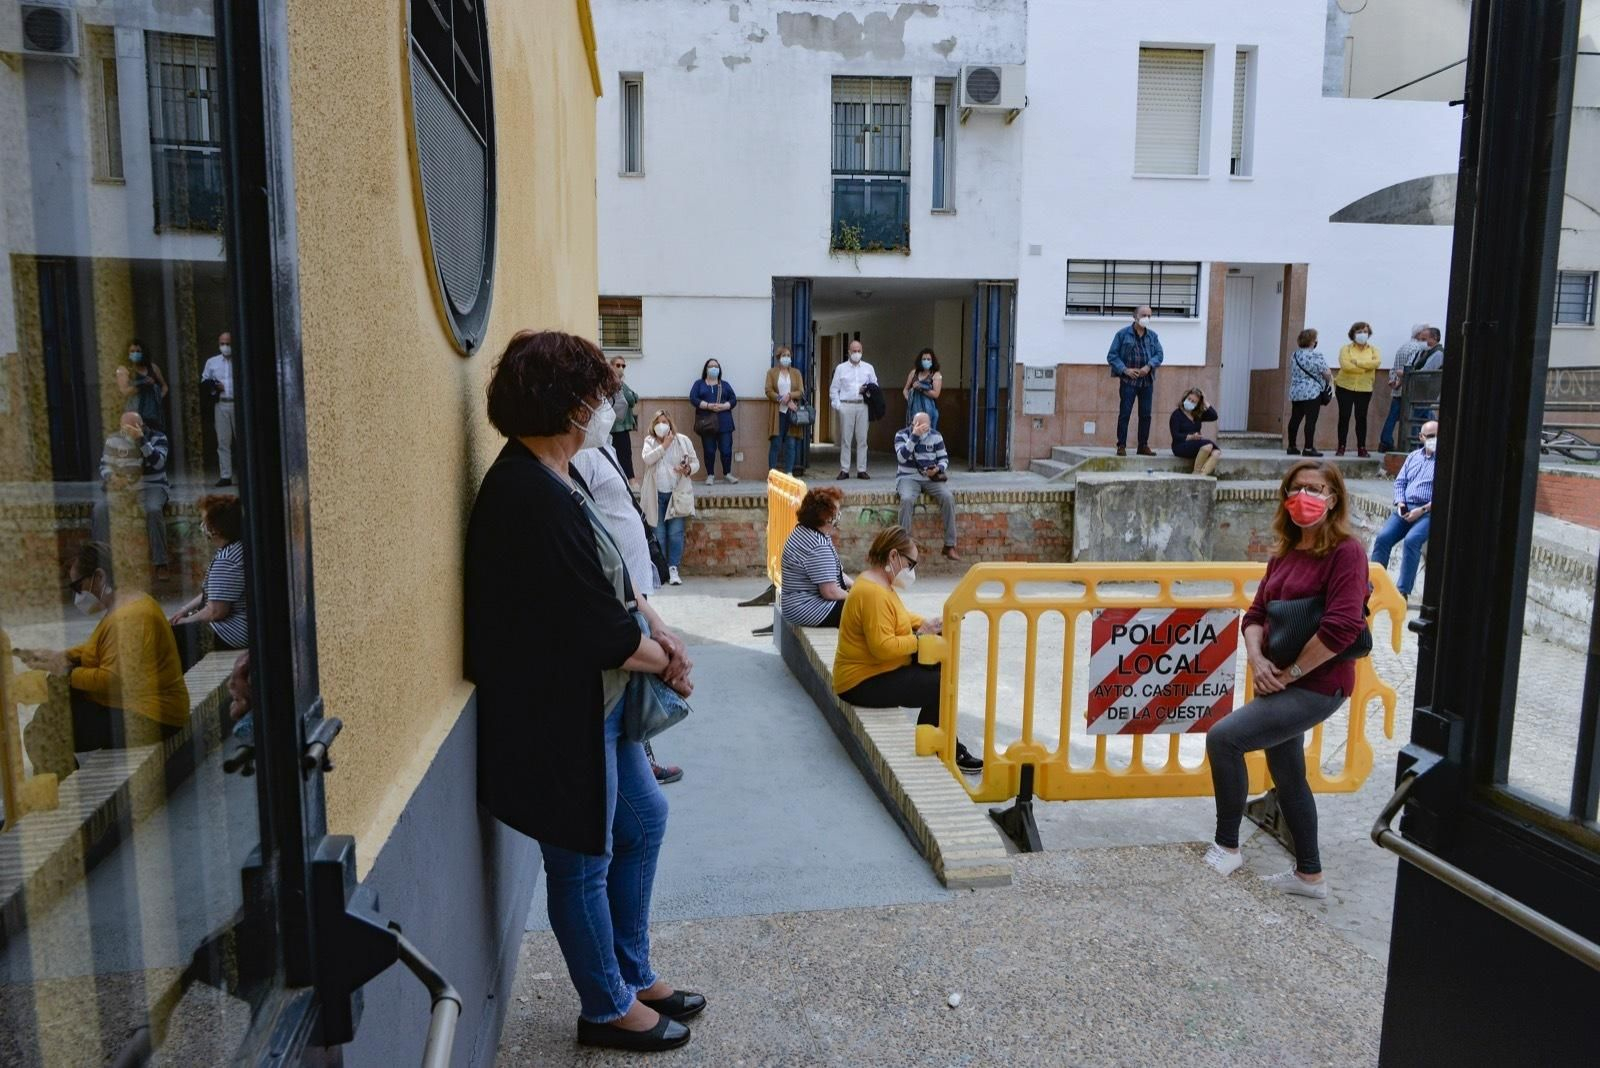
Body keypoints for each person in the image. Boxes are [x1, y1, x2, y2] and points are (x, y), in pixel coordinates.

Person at [465, 329, 702, 1053]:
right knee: (581, 860)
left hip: (595, 702)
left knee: (643, 821)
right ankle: (606, 1007)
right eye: (599, 397)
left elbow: (613, 576)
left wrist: (659, 628)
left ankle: (631, 973)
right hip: (560, 709)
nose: (608, 408)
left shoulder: (555, 473)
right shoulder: (525, 493)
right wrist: (661, 659)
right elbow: (586, 623)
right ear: (565, 404)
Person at [1204, 460, 1368, 899]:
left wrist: (1291, 672)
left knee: (1224, 739)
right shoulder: (1284, 553)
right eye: (1297, 488)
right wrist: (1258, 660)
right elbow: (1255, 616)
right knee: (1288, 771)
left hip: (1319, 684)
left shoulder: (1347, 552)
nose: (1305, 496)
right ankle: (1309, 875)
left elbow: (1341, 628)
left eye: (1316, 488)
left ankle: (1227, 846)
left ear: (1333, 498)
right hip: (1279, 678)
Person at [16, 542, 189, 780]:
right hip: (140, 705)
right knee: (49, 716)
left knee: (42, 734)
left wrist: (67, 671)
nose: (77, 595)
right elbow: (99, 651)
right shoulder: (127, 605)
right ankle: (61, 786)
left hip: (151, 715)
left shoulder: (131, 617)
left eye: (78, 586)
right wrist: (62, 656)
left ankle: (65, 795)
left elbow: (114, 679)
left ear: (99, 576)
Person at [572, 440, 691, 785]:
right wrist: (669, 662)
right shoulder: (579, 455)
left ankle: (642, 753)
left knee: (636, 682)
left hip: (633, 581)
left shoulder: (602, 446)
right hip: (614, 589)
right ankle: (644, 755)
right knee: (633, 683)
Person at [833, 527, 983, 772]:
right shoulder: (872, 593)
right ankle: (934, 748)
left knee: (938, 665)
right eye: (910, 564)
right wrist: (920, 636)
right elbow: (882, 647)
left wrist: (928, 624)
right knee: (940, 683)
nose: (912, 571)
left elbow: (899, 617)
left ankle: (944, 743)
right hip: (860, 682)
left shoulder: (878, 583)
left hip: (874, 671)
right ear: (893, 556)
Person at [168, 494, 250, 671]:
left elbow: (216, 611)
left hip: (232, 632)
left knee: (171, 637)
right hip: (237, 626)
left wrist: (185, 623)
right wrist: (184, 610)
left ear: (216, 529)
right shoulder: (236, 548)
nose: (202, 526)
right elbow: (214, 591)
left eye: (205, 521)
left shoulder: (227, 559)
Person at [92, 411, 172, 582]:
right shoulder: (113, 439)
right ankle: (102, 563)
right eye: (123, 427)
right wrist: (112, 478)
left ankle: (161, 563)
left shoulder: (159, 438)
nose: (126, 431)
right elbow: (104, 466)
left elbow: (158, 463)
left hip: (152, 486)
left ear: (141, 426)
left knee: (152, 510)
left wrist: (141, 440)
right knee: (100, 509)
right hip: (124, 488)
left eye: (131, 427)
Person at [1371, 420, 1438, 601]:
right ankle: (1373, 587)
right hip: (1405, 508)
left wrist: (1422, 509)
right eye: (1430, 436)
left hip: (1428, 511)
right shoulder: (1413, 456)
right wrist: (1400, 503)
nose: (1435, 440)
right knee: (1383, 538)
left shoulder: (1445, 460)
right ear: (1421, 437)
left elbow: (1444, 493)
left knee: (1412, 541)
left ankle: (1402, 592)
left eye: (1438, 435)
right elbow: (1400, 482)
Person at [779, 486, 852, 628]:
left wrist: (857, 587)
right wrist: (857, 597)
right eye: (836, 515)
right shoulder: (817, 545)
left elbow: (835, 573)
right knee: (868, 608)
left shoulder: (807, 531)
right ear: (824, 517)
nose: (838, 518)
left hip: (796, 606)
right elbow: (829, 591)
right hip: (810, 609)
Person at [641, 409, 698, 586]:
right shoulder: (649, 441)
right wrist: (664, 446)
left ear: (670, 423)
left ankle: (673, 568)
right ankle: (662, 568)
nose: (662, 425)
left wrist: (687, 469)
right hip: (656, 494)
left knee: (675, 533)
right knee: (658, 533)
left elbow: (695, 462)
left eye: (665, 421)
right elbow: (647, 459)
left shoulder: (683, 441)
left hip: (677, 494)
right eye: (658, 422)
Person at [894, 412, 961, 561]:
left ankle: (950, 545)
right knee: (906, 500)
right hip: (908, 477)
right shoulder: (901, 435)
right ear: (913, 424)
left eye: (926, 426)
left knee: (948, 497)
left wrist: (938, 469)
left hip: (931, 478)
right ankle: (904, 546)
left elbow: (944, 458)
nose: (924, 430)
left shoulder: (936, 436)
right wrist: (914, 437)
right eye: (920, 426)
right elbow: (901, 457)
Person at [1106, 305, 1164, 457]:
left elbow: (1159, 354)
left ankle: (1143, 446)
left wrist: (1149, 366)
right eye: (1144, 315)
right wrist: (1125, 370)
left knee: (1146, 415)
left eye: (1149, 316)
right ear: (1135, 316)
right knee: (1125, 413)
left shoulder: (1153, 336)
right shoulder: (1122, 334)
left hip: (1147, 381)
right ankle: (1121, 445)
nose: (1147, 318)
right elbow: (1112, 356)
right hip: (1128, 382)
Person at [829, 339, 878, 479]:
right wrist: (838, 406)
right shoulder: (841, 368)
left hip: (863, 405)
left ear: (862, 352)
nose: (856, 353)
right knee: (846, 439)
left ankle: (861, 469)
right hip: (846, 405)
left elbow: (875, 386)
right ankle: (844, 469)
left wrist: (867, 390)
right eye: (854, 351)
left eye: (859, 351)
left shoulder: (868, 368)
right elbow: (834, 389)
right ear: (849, 352)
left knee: (862, 439)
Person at [1378, 324, 1429, 453]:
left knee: (1393, 416)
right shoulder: (1417, 348)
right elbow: (1409, 368)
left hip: (1398, 387)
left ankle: (1385, 441)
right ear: (1420, 335)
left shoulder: (1403, 347)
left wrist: (1394, 381)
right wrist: (1400, 382)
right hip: (1408, 388)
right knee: (1414, 417)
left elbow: (1396, 367)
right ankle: (1411, 444)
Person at [1334, 321, 1382, 457]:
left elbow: (1376, 363)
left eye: (1365, 332)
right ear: (1353, 334)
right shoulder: (1346, 349)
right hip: (1345, 386)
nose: (1363, 334)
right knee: (1344, 417)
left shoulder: (1374, 350)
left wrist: (1358, 363)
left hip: (1365, 388)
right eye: (1359, 332)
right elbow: (1346, 366)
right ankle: (1341, 446)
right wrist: (1365, 368)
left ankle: (1362, 447)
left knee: (1361, 418)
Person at [688, 358, 737, 484]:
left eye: (716, 366)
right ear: (706, 369)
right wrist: (707, 405)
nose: (714, 368)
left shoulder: (725, 385)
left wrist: (724, 406)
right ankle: (710, 474)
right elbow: (693, 398)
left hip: (725, 422)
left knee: (726, 449)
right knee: (709, 450)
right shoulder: (699, 384)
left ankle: (727, 473)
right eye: (711, 366)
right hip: (707, 423)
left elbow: (733, 399)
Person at [1287, 328, 1334, 457]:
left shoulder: (1294, 355)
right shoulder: (1316, 355)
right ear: (1312, 341)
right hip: (1312, 393)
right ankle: (1308, 448)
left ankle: (1291, 446)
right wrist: (1328, 374)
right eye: (1315, 339)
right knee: (1310, 420)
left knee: (1295, 419)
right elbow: (1326, 374)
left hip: (1296, 392)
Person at [202, 331, 238, 486]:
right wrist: (214, 387)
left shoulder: (240, 359)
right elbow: (204, 380)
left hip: (237, 404)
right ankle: (225, 475)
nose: (225, 347)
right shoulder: (212, 362)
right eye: (222, 343)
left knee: (242, 440)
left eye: (228, 343)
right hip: (221, 403)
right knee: (223, 441)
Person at [764, 346, 806, 475]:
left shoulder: (796, 373)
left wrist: (790, 396)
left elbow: (800, 391)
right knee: (775, 443)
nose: (786, 358)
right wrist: (782, 398)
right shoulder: (771, 373)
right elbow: (768, 390)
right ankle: (772, 473)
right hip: (777, 413)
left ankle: (789, 472)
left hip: (792, 413)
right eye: (784, 355)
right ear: (778, 358)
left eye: (788, 355)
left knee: (791, 444)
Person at [115, 337, 168, 430]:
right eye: (132, 351)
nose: (135, 354)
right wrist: (142, 385)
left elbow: (164, 386)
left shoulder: (153, 368)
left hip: (153, 414)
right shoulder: (124, 370)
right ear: (127, 353)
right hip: (135, 413)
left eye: (138, 351)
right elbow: (124, 392)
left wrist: (158, 397)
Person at [1169, 387, 1221, 475]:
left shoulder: (1197, 415)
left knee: (1216, 453)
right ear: (1185, 398)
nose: (1190, 402)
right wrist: (1191, 437)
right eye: (1189, 399)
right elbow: (1175, 436)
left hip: (1196, 444)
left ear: (1197, 404)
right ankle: (1196, 472)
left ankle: (1200, 475)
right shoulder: (1176, 414)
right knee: (1207, 446)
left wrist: (1204, 401)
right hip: (1180, 446)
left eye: (1193, 401)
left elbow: (1214, 416)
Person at [608, 357, 640, 483]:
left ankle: (628, 480)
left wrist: (633, 396)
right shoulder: (612, 382)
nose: (621, 368)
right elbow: (631, 398)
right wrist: (632, 395)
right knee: (623, 454)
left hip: (621, 425)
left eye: (623, 366)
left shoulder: (621, 383)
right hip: (616, 426)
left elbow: (634, 397)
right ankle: (630, 481)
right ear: (611, 366)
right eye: (618, 365)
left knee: (625, 454)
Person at [903, 348, 943, 432]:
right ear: (920, 361)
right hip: (913, 411)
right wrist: (909, 398)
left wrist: (921, 388)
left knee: (928, 433)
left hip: (929, 411)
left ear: (933, 361)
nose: (926, 361)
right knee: (913, 432)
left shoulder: (936, 375)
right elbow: (905, 389)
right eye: (924, 359)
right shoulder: (914, 373)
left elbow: (936, 394)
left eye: (928, 359)